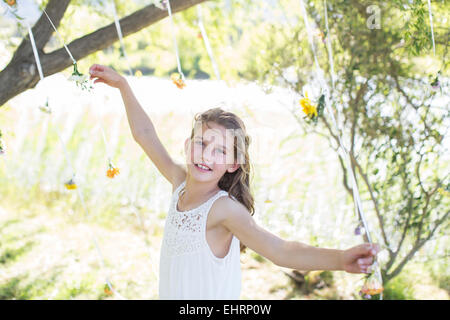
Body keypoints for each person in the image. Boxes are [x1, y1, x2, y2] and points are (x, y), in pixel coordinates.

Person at [89, 64, 380, 300]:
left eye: (221, 150)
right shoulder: (179, 181)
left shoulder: (223, 210)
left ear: (232, 164)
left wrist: (341, 259)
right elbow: (145, 135)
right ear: (188, 145)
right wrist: (123, 86)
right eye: (202, 143)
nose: (206, 155)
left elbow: (281, 250)